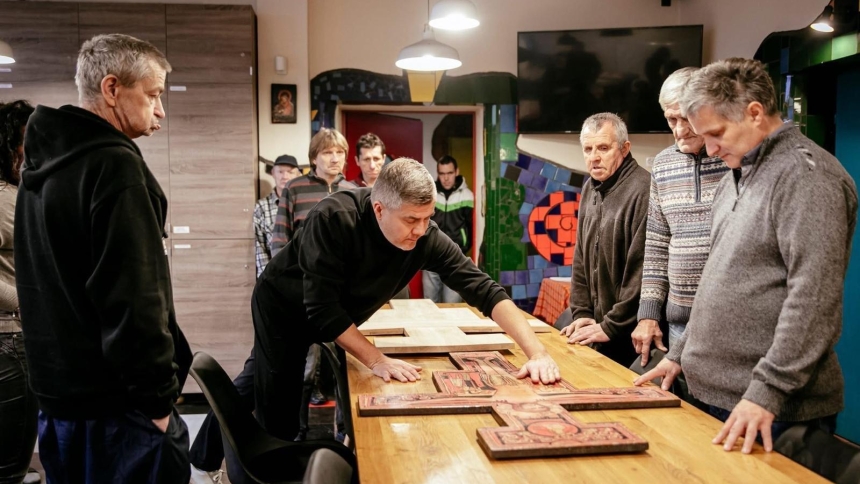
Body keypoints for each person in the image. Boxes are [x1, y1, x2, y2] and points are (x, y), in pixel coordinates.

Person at [636, 58, 857, 454]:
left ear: (754, 113)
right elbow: (713, 282)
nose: (711, 146)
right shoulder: (737, 174)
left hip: (769, 407)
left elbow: (814, 301)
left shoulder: (807, 176)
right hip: (713, 392)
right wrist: (682, 354)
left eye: (717, 133)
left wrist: (766, 393)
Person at [253, 158, 561, 442]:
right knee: (277, 400)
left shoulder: (426, 236)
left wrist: (537, 352)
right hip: (283, 307)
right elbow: (322, 309)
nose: (420, 230)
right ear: (379, 209)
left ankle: (203, 459)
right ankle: (255, 467)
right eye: (411, 219)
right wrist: (376, 360)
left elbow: (484, 288)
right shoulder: (334, 218)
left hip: (334, 315)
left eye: (428, 218)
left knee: (252, 380)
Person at [15, 34, 191, 483]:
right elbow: (134, 299)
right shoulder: (115, 167)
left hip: (58, 404)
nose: (160, 110)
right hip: (117, 410)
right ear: (112, 89)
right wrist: (157, 404)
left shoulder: (41, 167)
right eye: (152, 95)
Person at [631, 67, 730, 377]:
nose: (679, 130)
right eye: (671, 119)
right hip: (678, 320)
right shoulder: (662, 165)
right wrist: (648, 314)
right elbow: (657, 245)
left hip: (727, 321)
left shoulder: (734, 161)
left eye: (685, 119)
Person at [560, 113, 650, 367]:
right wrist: (582, 312)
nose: (594, 157)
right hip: (595, 324)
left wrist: (610, 326)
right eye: (588, 149)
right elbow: (581, 256)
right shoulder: (590, 186)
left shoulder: (643, 190)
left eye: (603, 148)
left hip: (627, 334)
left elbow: (643, 272)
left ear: (624, 148)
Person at [0, 100, 41, 484]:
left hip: (12, 340)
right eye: (27, 142)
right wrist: (29, 304)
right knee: (10, 466)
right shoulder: (3, 199)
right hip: (9, 343)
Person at [422, 155, 474, 303]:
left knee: (452, 305)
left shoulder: (467, 196)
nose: (446, 178)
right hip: (430, 255)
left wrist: (463, 247)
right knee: (429, 303)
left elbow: (470, 227)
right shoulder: (429, 194)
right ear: (438, 174)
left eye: (449, 173)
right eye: (442, 173)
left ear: (456, 172)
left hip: (455, 258)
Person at [254, 154, 301, 277]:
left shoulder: (303, 204)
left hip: (301, 275)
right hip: (274, 275)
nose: (284, 176)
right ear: (273, 173)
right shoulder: (262, 207)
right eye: (280, 172)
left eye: (290, 172)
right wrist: (267, 278)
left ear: (298, 175)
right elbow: (259, 247)